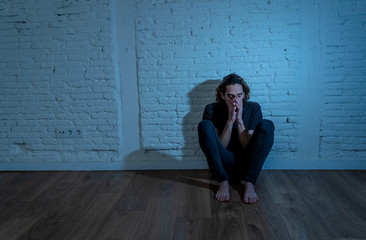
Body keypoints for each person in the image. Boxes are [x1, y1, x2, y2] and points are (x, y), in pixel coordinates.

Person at [198, 73, 275, 204]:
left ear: (244, 94)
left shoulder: (253, 108)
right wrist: (230, 121)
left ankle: (250, 182)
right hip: (222, 164)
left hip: (247, 164)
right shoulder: (211, 109)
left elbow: (248, 146)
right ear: (222, 95)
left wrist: (239, 121)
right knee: (204, 126)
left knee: (267, 125)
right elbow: (218, 147)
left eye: (239, 95)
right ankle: (222, 182)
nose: (236, 100)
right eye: (231, 96)